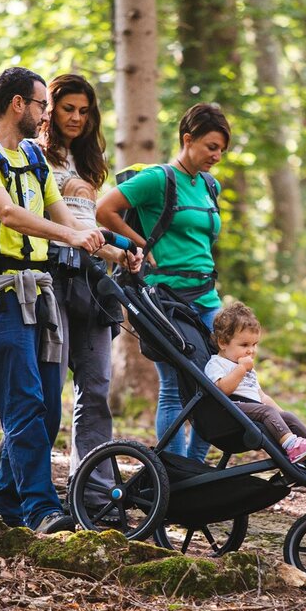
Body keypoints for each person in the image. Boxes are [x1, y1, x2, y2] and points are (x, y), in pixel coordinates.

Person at [0, 66, 105, 534]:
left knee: (49, 407)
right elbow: (9, 213)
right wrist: (70, 238)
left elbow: (69, 221)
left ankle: (0, 502)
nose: (46, 115)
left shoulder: (36, 163)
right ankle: (40, 508)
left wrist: (118, 250)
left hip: (42, 290)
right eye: (41, 105)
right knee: (24, 402)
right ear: (18, 103)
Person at [96, 102, 230, 460]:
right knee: (174, 386)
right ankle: (174, 472)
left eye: (221, 149)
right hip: (165, 298)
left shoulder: (210, 185)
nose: (217, 155)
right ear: (188, 139)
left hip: (207, 297)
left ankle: (194, 470)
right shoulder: (158, 179)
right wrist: (139, 244)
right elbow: (103, 210)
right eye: (211, 147)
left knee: (218, 384)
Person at [37, 74, 140, 500]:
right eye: (68, 109)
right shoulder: (33, 156)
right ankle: (28, 487)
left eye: (84, 111)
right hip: (51, 279)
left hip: (92, 283)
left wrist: (121, 254)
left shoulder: (90, 162)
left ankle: (94, 492)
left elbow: (91, 229)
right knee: (46, 390)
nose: (76, 118)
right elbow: (49, 219)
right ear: (51, 111)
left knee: (96, 387)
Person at [205, 302, 306, 470]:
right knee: (266, 411)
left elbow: (261, 396)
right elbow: (222, 390)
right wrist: (240, 369)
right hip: (229, 413)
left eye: (254, 344)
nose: (251, 351)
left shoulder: (247, 368)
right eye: (244, 345)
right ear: (223, 343)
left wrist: (281, 416)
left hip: (252, 411)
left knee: (287, 416)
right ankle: (292, 446)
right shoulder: (216, 363)